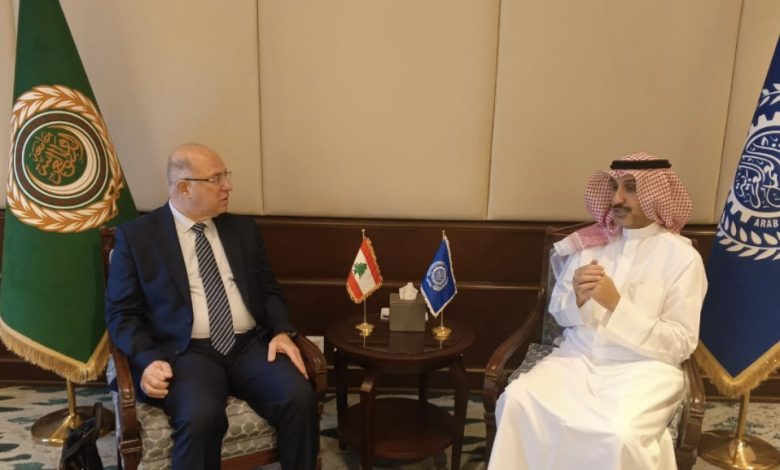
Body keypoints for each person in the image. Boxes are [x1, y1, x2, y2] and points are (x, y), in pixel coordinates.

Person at [105, 143, 319, 470]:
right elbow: (122, 314)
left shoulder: (242, 230)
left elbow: (268, 290)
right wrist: (148, 360)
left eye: (225, 175)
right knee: (201, 416)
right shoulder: (137, 238)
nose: (228, 186)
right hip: (185, 352)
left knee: (299, 397)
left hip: (249, 346)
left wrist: (280, 331)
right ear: (184, 188)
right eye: (216, 178)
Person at [488, 152, 707, 469]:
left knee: (619, 435)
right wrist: (576, 300)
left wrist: (617, 304)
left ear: (656, 194)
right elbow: (559, 313)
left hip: (645, 369)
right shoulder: (590, 245)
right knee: (517, 400)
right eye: (614, 187)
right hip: (577, 358)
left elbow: (680, 343)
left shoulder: (682, 259)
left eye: (631, 188)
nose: (617, 199)